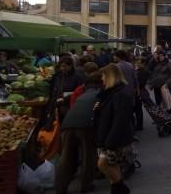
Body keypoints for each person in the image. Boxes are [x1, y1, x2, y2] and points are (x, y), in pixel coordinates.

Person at [55, 71, 102, 194]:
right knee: (88, 155)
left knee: (66, 156)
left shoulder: (82, 95)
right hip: (85, 126)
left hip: (67, 125)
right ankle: (85, 185)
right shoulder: (100, 94)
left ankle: (60, 187)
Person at [94, 64, 133, 194]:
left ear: (110, 77)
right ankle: (117, 189)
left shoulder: (120, 94)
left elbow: (120, 120)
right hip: (107, 135)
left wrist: (110, 142)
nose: (102, 79)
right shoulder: (108, 93)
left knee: (102, 164)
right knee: (112, 166)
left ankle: (121, 188)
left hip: (114, 138)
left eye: (104, 76)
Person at [45, 56, 83, 127]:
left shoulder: (77, 77)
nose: (62, 68)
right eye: (61, 66)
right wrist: (50, 108)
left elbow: (79, 92)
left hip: (70, 106)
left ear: (71, 66)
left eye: (65, 66)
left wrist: (65, 98)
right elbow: (54, 92)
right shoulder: (58, 76)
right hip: (58, 106)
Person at [134, 58, 151, 130]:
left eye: (139, 63)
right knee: (137, 109)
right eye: (137, 62)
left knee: (138, 109)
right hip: (139, 91)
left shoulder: (143, 72)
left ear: (143, 64)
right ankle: (139, 124)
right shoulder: (139, 71)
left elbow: (141, 83)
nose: (137, 64)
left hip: (139, 91)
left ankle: (139, 125)